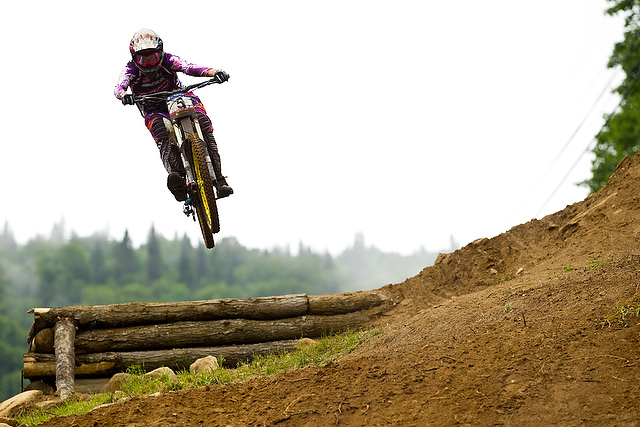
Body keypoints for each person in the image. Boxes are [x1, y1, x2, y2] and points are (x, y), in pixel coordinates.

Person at [114, 28, 233, 202]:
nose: (148, 64)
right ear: (134, 58)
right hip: (153, 108)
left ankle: (219, 178)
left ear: (161, 52)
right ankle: (177, 177)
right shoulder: (130, 70)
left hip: (179, 96)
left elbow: (189, 67)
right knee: (161, 130)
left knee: (203, 121)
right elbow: (119, 87)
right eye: (142, 59)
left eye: (153, 57)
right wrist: (124, 95)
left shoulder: (169, 60)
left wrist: (214, 72)